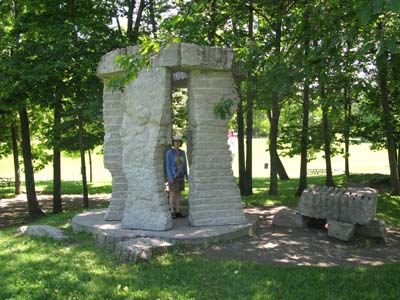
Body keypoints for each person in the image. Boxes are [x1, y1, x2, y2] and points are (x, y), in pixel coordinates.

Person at [165, 135, 188, 219]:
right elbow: (168, 166)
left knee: (178, 194)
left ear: (181, 143)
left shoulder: (182, 152)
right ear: (173, 143)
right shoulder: (169, 152)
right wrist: (170, 177)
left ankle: (178, 211)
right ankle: (171, 211)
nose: (177, 143)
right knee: (172, 194)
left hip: (180, 176)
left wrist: (186, 175)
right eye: (175, 141)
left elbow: (184, 164)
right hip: (173, 177)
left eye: (179, 141)